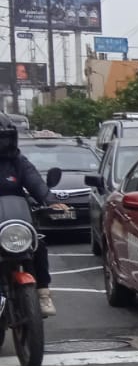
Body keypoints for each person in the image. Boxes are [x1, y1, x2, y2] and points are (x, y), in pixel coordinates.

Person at [0, 120, 68, 317]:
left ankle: (43, 292)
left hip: (15, 219)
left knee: (38, 244)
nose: (3, 144)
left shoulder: (17, 161)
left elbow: (34, 181)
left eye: (4, 138)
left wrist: (49, 200)